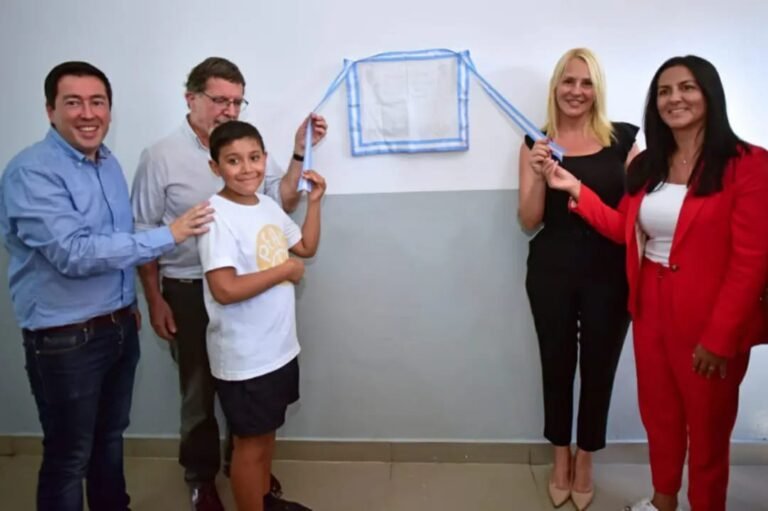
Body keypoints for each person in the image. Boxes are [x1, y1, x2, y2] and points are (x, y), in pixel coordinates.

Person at [540, 55, 768, 511]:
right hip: (649, 308)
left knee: (706, 431)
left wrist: (720, 338)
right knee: (660, 419)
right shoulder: (649, 164)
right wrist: (573, 189)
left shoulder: (749, 164)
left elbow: (752, 261)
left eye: (687, 88)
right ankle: (663, 501)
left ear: (710, 94)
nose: (674, 98)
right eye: (664, 91)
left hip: (711, 320)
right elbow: (623, 228)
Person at [0, 61, 212, 511]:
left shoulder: (108, 164)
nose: (87, 113)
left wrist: (128, 303)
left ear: (110, 111)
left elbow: (116, 241)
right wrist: (169, 235)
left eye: (97, 102)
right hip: (64, 339)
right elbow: (74, 253)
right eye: (72, 102)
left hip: (116, 327)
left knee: (110, 440)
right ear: (49, 109)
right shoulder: (31, 172)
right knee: (68, 456)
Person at [131, 57, 327, 510]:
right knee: (201, 392)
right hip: (187, 287)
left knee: (250, 411)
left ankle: (245, 470)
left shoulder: (251, 168)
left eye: (237, 101)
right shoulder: (162, 157)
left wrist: (300, 153)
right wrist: (155, 297)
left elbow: (280, 199)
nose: (229, 108)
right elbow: (143, 233)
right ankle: (203, 477)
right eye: (220, 99)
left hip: (258, 307)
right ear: (192, 98)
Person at [518, 48, 638, 510]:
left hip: (611, 271)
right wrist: (534, 174)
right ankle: (560, 457)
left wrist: (575, 188)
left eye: (586, 83)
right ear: (555, 86)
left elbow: (631, 221)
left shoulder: (625, 141)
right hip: (551, 270)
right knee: (557, 365)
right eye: (568, 81)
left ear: (597, 90)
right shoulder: (535, 140)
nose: (576, 91)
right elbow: (529, 221)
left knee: (598, 370)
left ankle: (586, 457)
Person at [198, 120, 325, 511]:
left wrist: (316, 201)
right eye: (233, 161)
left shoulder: (266, 204)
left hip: (278, 348)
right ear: (215, 167)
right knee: (249, 445)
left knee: (266, 436)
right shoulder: (214, 216)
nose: (247, 168)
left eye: (254, 158)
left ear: (265, 159)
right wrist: (283, 271)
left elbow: (304, 246)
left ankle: (263, 501)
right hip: (245, 358)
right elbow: (225, 288)